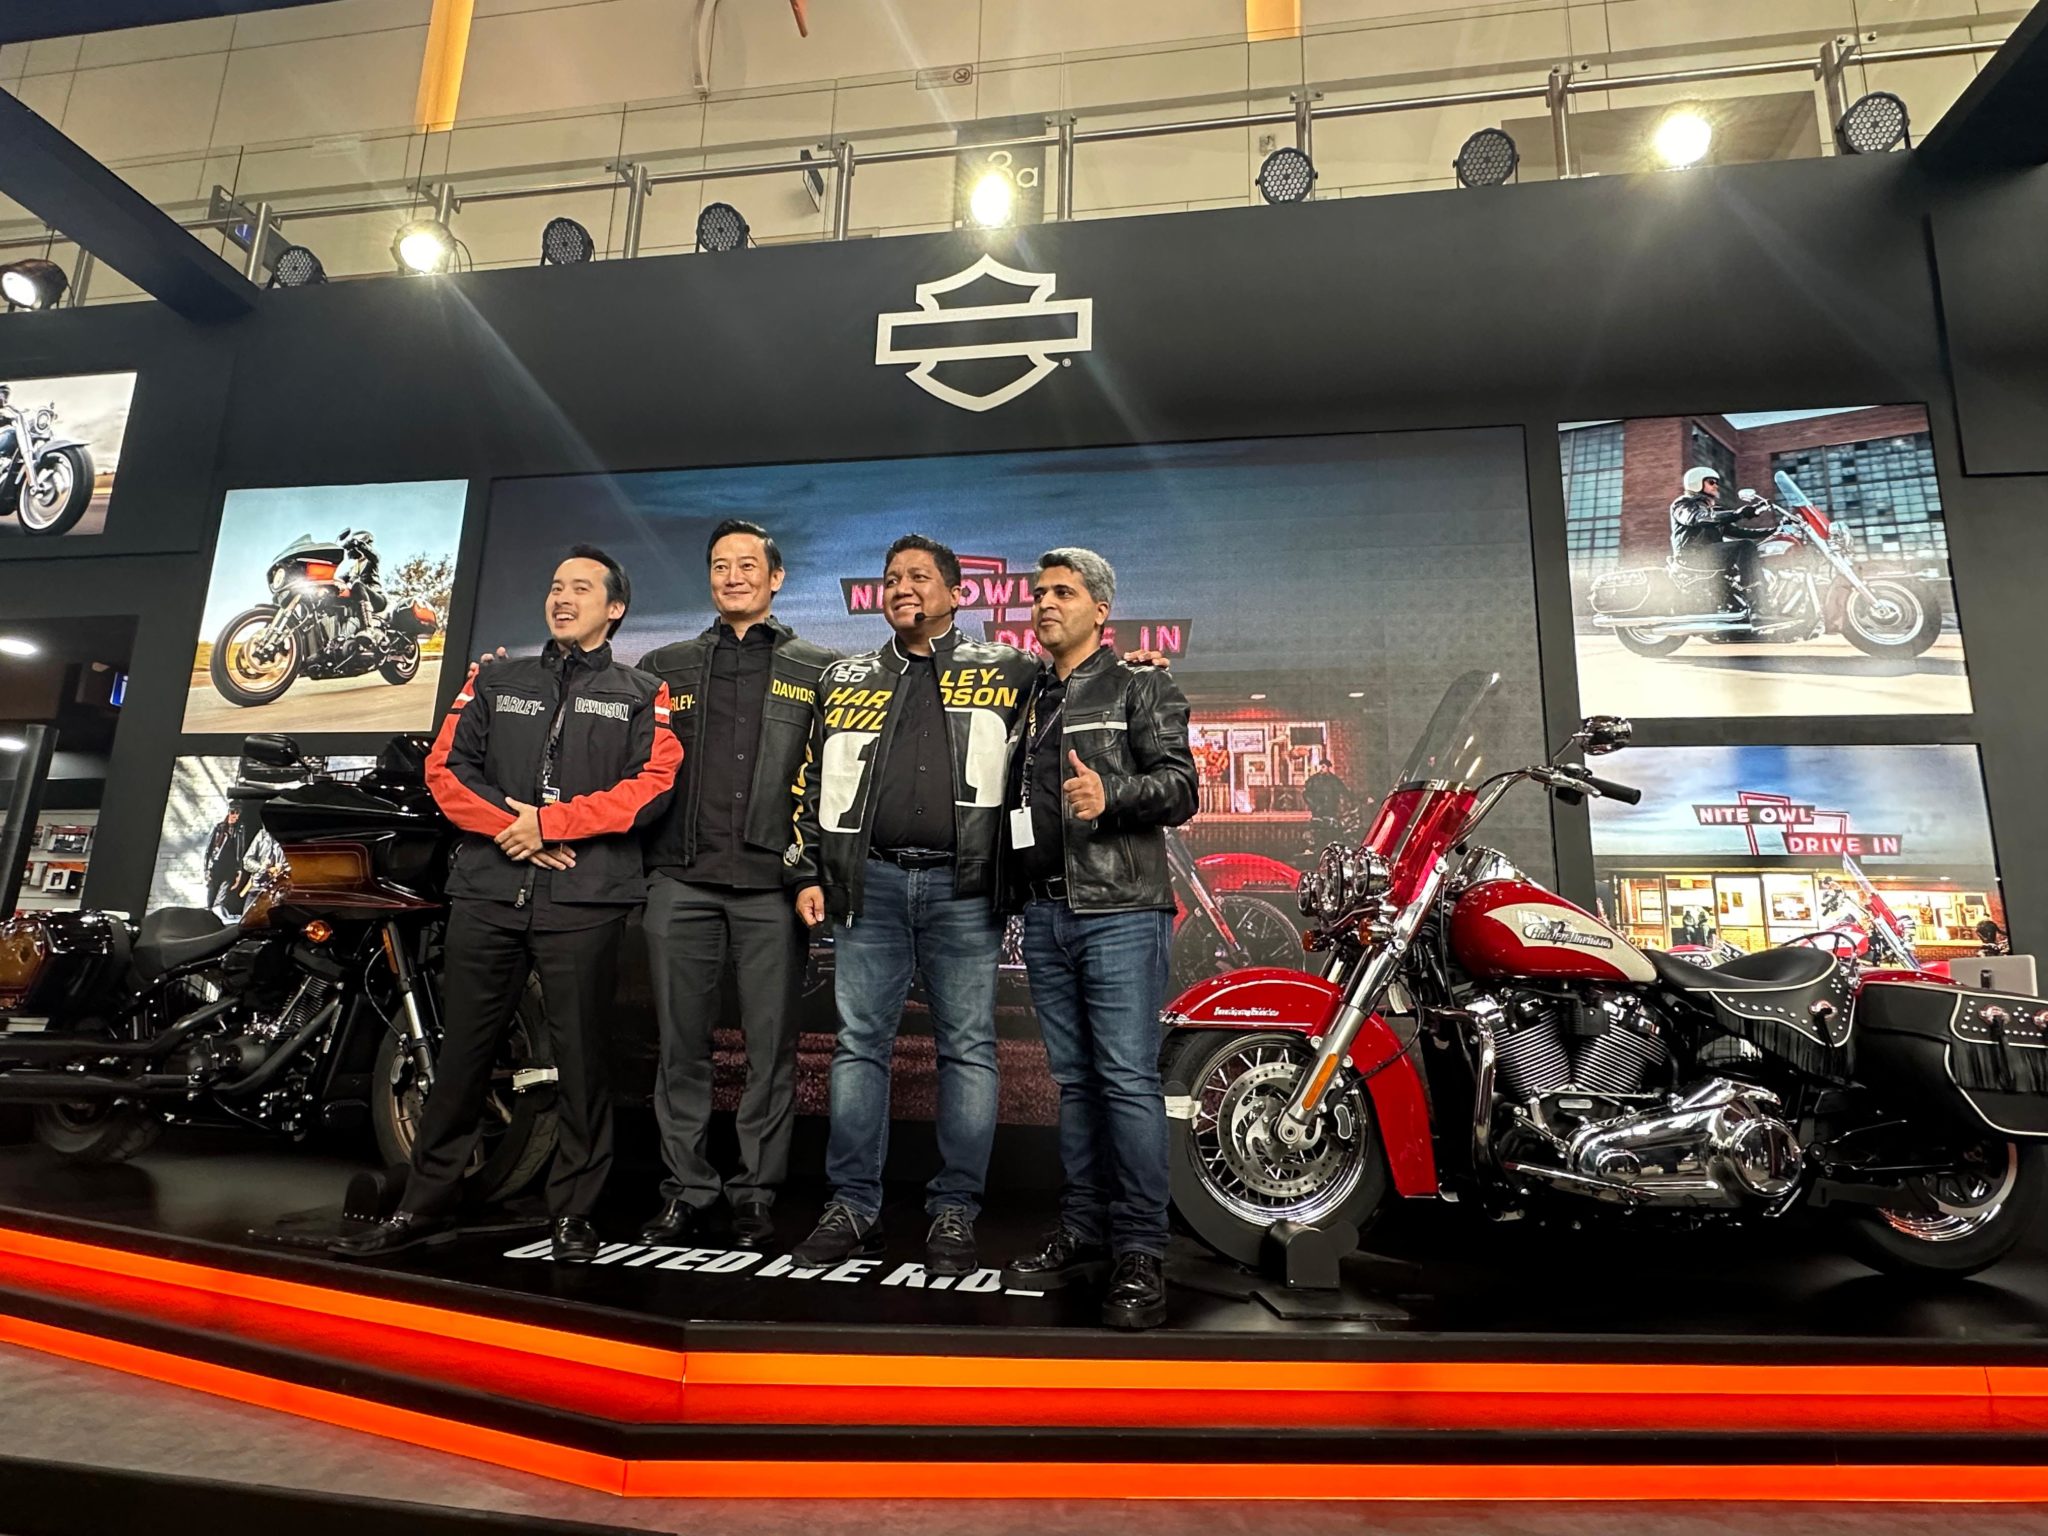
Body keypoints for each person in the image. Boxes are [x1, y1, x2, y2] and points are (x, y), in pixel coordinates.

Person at [333, 546, 680, 1263]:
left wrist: (552, 825)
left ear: (615, 608)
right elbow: (445, 769)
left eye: (581, 588)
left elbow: (652, 785)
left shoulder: (643, 691)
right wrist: (512, 829)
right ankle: (424, 1203)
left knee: (582, 1062)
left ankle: (574, 1214)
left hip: (586, 899)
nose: (563, 598)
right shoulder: (494, 678)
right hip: (488, 893)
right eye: (555, 586)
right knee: (460, 1055)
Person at [785, 535, 1040, 1276]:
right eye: (893, 577)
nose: (902, 587)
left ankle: (956, 1210)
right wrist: (808, 871)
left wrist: (1137, 673)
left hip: (965, 889)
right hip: (870, 884)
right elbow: (810, 780)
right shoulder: (844, 678)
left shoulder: (1010, 670)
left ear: (957, 594)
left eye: (919, 577)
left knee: (969, 1048)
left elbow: (1075, 693)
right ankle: (852, 1206)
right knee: (859, 1045)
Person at [996, 549, 1197, 1330]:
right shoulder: (1030, 695)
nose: (1046, 603)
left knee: (1125, 1081)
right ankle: (1084, 1231)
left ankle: (1141, 1250)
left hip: (1119, 909)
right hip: (1045, 915)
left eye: (1064, 592)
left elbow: (1181, 787)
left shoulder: (1141, 683)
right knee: (1076, 1084)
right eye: (1039, 593)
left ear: (1101, 610)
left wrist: (1111, 793)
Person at [634, 520, 839, 1251]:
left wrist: (810, 869)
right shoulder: (664, 666)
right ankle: (687, 1191)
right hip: (680, 882)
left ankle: (755, 1195)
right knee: (680, 1047)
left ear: (776, 577)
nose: (733, 577)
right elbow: (634, 770)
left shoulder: (820, 668)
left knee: (770, 1051)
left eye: (748, 565)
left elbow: (834, 780)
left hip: (772, 888)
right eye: (721, 566)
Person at [1668, 467, 1757, 619]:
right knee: (1745, 546)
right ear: (1696, 483)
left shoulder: (1711, 509)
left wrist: (1774, 531)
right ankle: (1756, 599)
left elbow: (1739, 532)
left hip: (1710, 555)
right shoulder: (1683, 504)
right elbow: (1697, 518)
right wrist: (1737, 514)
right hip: (1692, 556)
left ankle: (1745, 611)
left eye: (1716, 483)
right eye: (1711, 482)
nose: (1716, 486)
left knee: (1756, 548)